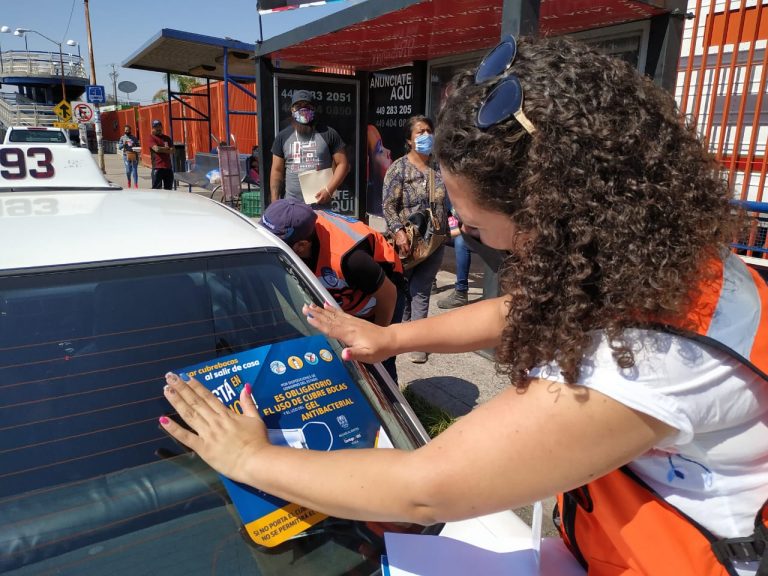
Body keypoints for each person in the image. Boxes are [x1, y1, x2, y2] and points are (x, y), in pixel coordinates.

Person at [160, 35, 768, 576]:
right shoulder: (656, 260)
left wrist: (249, 455)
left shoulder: (651, 361)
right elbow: (524, 309)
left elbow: (427, 491)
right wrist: (392, 339)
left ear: (551, 215)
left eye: (473, 224)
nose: (460, 226)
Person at [260, 198, 406, 382]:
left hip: (383, 298)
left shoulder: (351, 259)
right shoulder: (303, 229)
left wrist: (379, 339)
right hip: (349, 295)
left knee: (378, 363)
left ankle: (390, 403)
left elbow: (388, 295)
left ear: (302, 245)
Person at [382, 115, 447, 363]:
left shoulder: (439, 168)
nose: (425, 136)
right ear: (409, 140)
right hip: (407, 242)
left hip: (435, 242)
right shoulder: (398, 168)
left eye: (428, 131)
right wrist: (398, 232)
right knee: (405, 288)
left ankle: (418, 341)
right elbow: (389, 206)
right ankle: (405, 330)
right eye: (419, 132)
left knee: (422, 290)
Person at [270, 90, 349, 205]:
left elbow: (343, 164)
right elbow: (277, 171)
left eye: (307, 106)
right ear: (292, 110)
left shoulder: (328, 133)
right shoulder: (282, 136)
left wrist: (329, 190)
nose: (303, 110)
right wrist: (274, 201)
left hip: (321, 205)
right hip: (292, 205)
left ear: (314, 109)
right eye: (298, 106)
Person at [437, 208, 472, 309]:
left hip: (483, 232)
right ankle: (431, 282)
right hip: (459, 227)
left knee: (461, 242)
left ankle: (461, 293)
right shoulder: (447, 194)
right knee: (437, 236)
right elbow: (452, 217)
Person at [149, 119, 174, 190]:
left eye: (159, 126)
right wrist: (167, 149)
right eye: (155, 127)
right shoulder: (151, 138)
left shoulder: (167, 138)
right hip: (157, 168)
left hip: (168, 168)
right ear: (153, 128)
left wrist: (162, 149)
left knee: (169, 190)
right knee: (156, 191)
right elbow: (156, 149)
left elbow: (173, 150)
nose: (158, 128)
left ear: (162, 127)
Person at [117, 124, 140, 189]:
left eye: (128, 130)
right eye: (125, 130)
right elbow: (119, 147)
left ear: (130, 130)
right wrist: (124, 144)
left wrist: (135, 145)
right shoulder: (122, 138)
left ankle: (136, 185)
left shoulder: (134, 138)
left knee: (135, 170)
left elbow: (138, 145)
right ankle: (129, 181)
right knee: (128, 171)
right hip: (126, 156)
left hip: (134, 155)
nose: (127, 131)